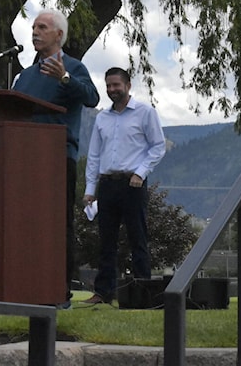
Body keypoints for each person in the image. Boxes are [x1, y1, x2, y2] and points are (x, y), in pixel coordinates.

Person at [0, 8, 100, 308]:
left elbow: (92, 98)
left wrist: (65, 78)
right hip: (21, 160)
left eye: (42, 27)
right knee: (22, 224)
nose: (35, 32)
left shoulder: (74, 67)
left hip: (55, 157)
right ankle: (24, 286)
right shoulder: (25, 75)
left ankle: (58, 290)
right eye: (33, 27)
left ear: (59, 35)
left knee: (56, 225)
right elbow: (12, 109)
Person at [82, 67, 166, 305]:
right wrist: (90, 189)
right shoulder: (102, 118)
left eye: (116, 85)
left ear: (128, 85)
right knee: (106, 241)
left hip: (133, 184)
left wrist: (141, 172)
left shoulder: (145, 113)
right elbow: (94, 155)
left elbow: (158, 147)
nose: (112, 90)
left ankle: (142, 292)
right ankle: (103, 293)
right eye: (108, 86)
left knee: (137, 238)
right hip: (108, 185)